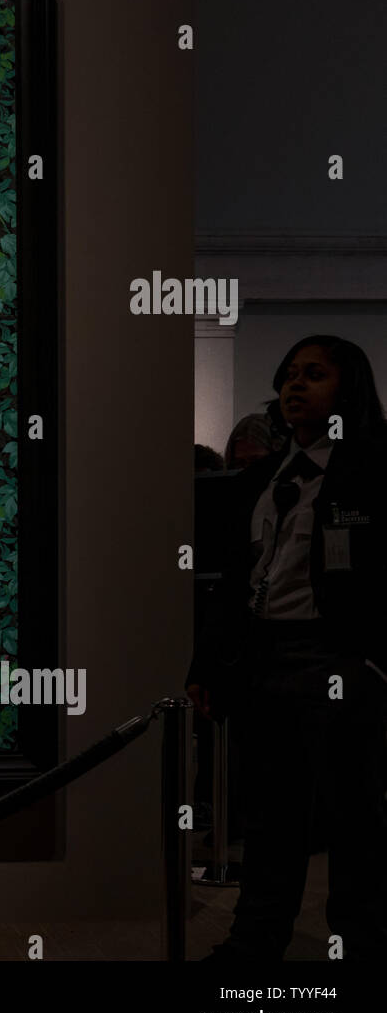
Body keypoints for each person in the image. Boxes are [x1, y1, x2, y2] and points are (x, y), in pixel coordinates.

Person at [187, 335, 387, 960]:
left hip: (339, 664)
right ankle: (254, 943)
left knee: (353, 824)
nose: (295, 386)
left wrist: (375, 665)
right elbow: (229, 583)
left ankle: (359, 944)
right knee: (271, 822)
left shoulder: (375, 469)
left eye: (316, 374)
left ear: (347, 386)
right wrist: (206, 669)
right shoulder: (261, 480)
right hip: (264, 664)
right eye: (290, 375)